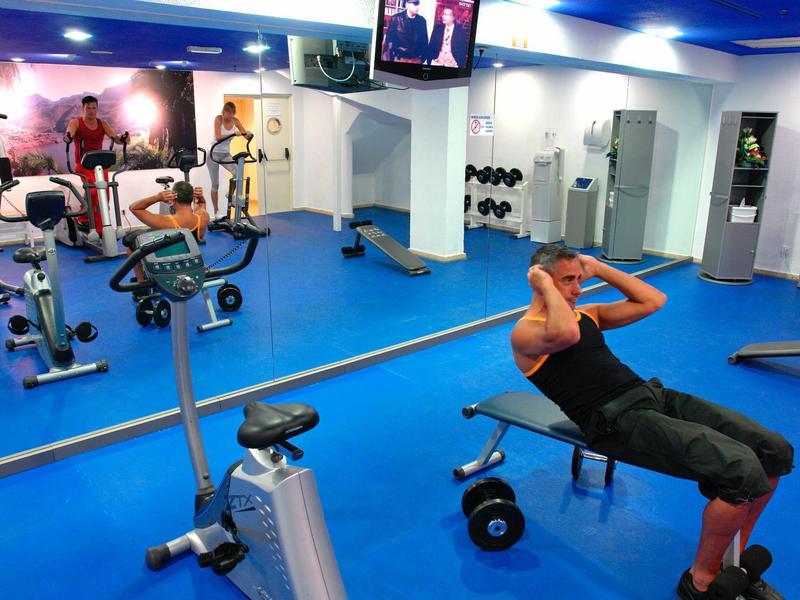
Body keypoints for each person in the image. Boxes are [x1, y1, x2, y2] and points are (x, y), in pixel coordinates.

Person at [510, 244, 793, 600]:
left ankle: (730, 560)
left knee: (773, 449)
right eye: (569, 281)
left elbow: (653, 299)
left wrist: (598, 267)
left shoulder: (588, 314)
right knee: (738, 469)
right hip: (615, 421)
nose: (578, 289)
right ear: (540, 283)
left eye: (579, 280)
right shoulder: (524, 334)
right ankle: (700, 580)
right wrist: (545, 285)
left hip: (651, 395)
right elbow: (566, 335)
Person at [63, 96, 128, 235]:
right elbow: (70, 132)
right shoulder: (76, 122)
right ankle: (83, 217)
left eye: (94, 108)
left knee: (105, 194)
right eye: (88, 108)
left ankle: (102, 227)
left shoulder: (102, 124)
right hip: (83, 165)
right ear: (83, 109)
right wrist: (68, 136)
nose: (91, 111)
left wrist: (123, 139)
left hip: (100, 164)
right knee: (93, 191)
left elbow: (115, 139)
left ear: (97, 108)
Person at [124, 181, 210, 284]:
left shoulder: (164, 222)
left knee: (129, 243)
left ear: (173, 199)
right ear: (192, 198)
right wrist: (200, 197)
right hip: (187, 258)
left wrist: (157, 197)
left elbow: (134, 208)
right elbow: (201, 205)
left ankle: (141, 282)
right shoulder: (203, 217)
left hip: (167, 258)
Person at [207, 101, 252, 218]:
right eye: (228, 112)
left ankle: (230, 194)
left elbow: (244, 134)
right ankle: (216, 212)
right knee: (215, 184)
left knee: (238, 172)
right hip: (213, 154)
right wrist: (234, 134)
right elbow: (218, 137)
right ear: (223, 112)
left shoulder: (235, 121)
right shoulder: (218, 119)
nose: (230, 115)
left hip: (225, 154)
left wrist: (248, 134)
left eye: (232, 113)